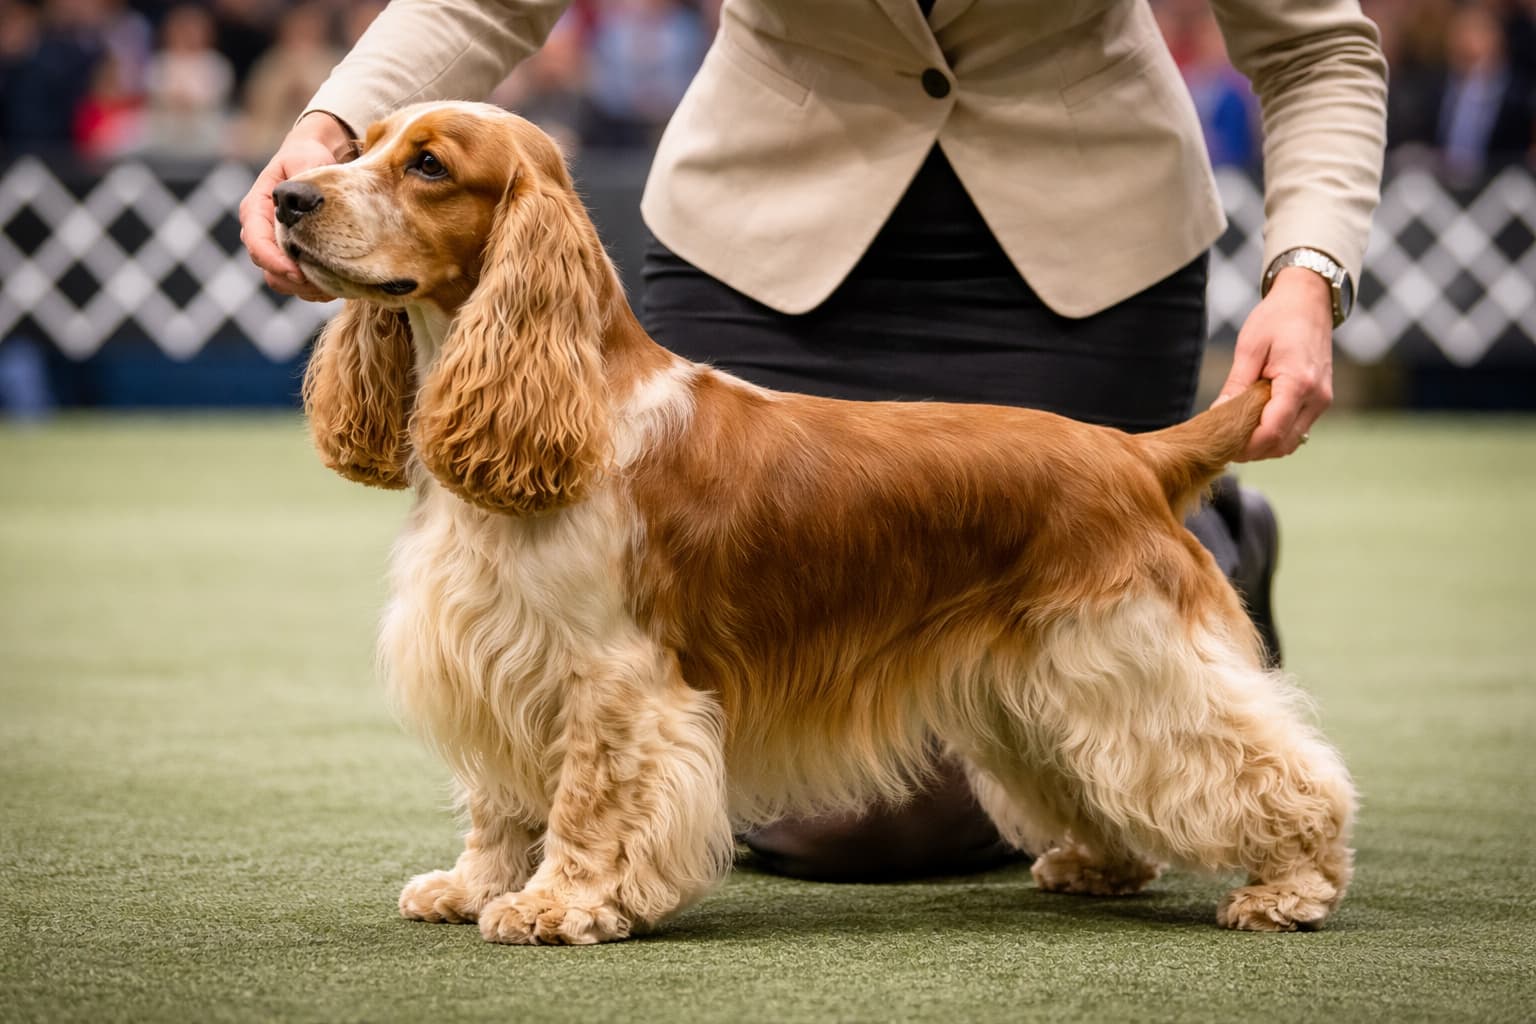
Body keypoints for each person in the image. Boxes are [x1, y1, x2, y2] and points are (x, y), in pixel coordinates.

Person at [239, 0, 1387, 882]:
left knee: (1034, 603)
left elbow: (1319, 47)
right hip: (774, 227)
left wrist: (1309, 276)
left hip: (1080, 236)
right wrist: (333, 122)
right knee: (832, 831)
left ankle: (1190, 545)